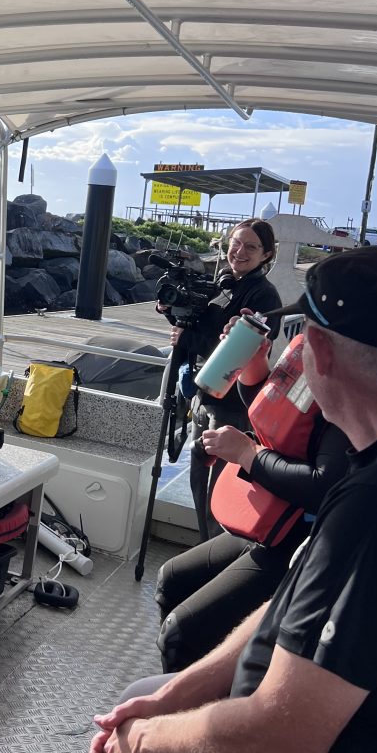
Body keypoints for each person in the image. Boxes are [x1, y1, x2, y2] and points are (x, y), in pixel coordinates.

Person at [28, 247, 377, 753]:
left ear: (315, 350)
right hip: (333, 750)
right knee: (148, 691)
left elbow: (281, 739)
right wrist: (172, 698)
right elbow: (285, 610)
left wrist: (143, 738)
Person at [155, 327, 350, 671]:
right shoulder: (322, 357)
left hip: (303, 546)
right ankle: (193, 681)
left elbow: (324, 488)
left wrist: (248, 455)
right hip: (270, 523)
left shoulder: (357, 387)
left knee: (178, 633)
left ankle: (200, 708)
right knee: (171, 578)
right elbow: (277, 411)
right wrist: (255, 363)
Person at [157, 218, 282, 538]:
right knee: (198, 484)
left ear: (266, 255)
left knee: (217, 492)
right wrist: (173, 310)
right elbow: (199, 323)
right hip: (203, 398)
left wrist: (184, 339)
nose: (239, 251)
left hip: (229, 409)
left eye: (251, 247)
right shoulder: (225, 283)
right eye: (235, 243)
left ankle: (213, 560)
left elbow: (240, 354)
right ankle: (203, 551)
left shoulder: (264, 296)